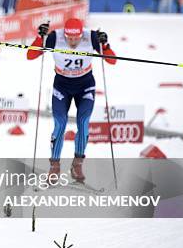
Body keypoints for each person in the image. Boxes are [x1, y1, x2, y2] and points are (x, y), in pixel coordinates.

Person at [26, 18, 116, 182]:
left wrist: (105, 45)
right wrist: (40, 38)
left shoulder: (92, 37)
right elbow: (30, 55)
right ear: (65, 35)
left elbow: (112, 60)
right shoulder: (55, 37)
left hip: (85, 86)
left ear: (82, 34)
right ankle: (54, 166)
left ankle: (77, 163)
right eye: (69, 38)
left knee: (83, 122)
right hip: (62, 86)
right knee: (60, 123)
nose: (73, 42)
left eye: (76, 38)